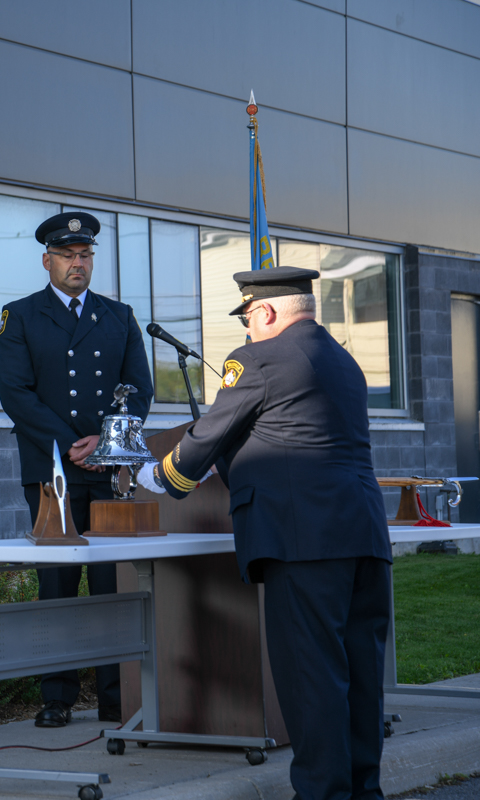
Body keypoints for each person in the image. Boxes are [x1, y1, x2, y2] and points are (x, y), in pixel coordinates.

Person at [140, 266, 392, 800]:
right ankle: (363, 791)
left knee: (312, 678)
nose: (247, 330)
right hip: (362, 534)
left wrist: (160, 475)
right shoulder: (343, 361)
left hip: (301, 541)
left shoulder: (258, 358)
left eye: (248, 318)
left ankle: (323, 794)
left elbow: (210, 433)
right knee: (361, 678)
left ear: (267, 311)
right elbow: (287, 431)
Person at [0, 211, 153, 727]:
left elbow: (140, 389)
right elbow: (15, 393)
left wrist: (104, 440)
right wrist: (68, 444)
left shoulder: (119, 316)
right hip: (52, 472)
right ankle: (57, 697)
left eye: (84, 255)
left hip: (109, 470)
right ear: (48, 261)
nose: (77, 263)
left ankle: (114, 696)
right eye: (66, 255)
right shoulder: (19, 316)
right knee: (57, 584)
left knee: (111, 584)